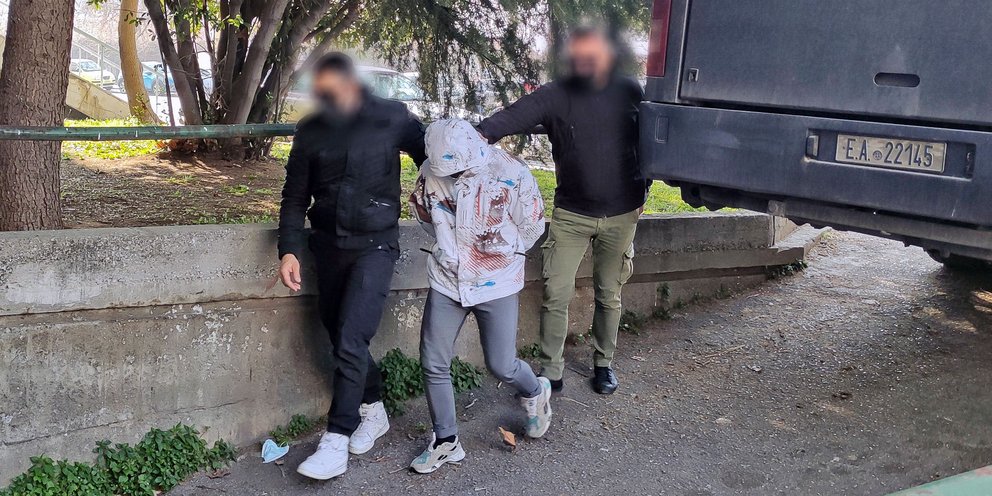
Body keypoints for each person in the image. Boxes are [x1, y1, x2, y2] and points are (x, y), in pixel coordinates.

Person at [276, 52, 427, 480]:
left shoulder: (391, 116)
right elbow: (294, 196)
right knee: (341, 336)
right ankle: (373, 408)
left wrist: (446, 202)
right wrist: (289, 249)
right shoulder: (311, 131)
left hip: (375, 245)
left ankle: (336, 440)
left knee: (350, 337)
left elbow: (433, 159)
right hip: (327, 247)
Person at [477, 27, 648, 395]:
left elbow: (652, 139)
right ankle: (552, 369)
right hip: (572, 215)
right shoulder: (556, 94)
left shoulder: (629, 90)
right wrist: (473, 135)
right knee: (556, 293)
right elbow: (511, 117)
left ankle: (603, 364)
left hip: (622, 213)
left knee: (609, 293)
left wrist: (644, 187)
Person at [408, 119, 552, 474]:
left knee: (501, 364)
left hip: (496, 282)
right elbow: (423, 214)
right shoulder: (430, 172)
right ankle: (446, 441)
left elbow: (533, 224)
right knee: (433, 361)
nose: (450, 176)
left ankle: (535, 391)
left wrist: (497, 256)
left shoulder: (510, 173)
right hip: (447, 280)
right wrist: (451, 250)